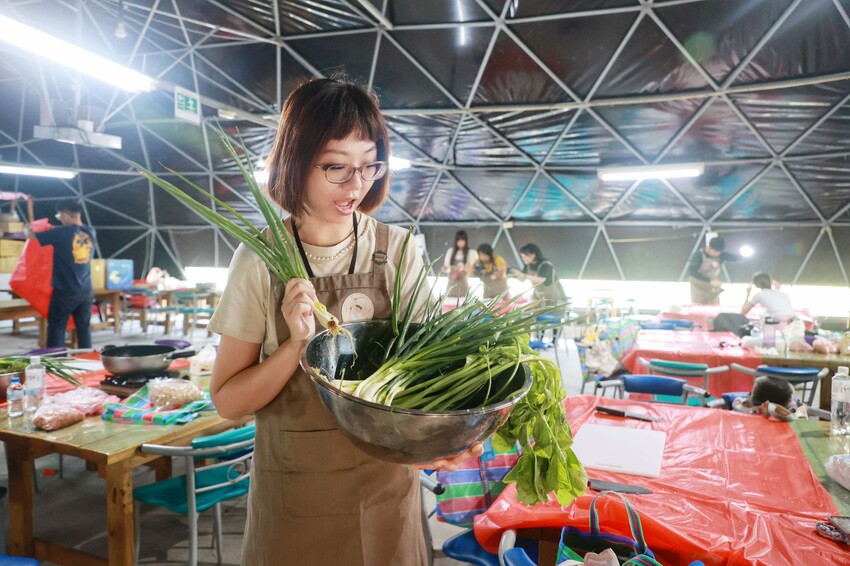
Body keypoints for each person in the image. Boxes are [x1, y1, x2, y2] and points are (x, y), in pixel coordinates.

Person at [206, 77, 480, 566]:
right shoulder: (259, 261)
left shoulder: (397, 250)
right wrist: (295, 346)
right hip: (294, 499)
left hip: (385, 491)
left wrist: (443, 438)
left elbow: (425, 377)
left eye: (369, 165)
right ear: (294, 161)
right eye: (336, 166)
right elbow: (228, 400)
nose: (357, 185)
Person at [24, 198, 96, 348]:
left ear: (64, 214)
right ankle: (88, 360)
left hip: (65, 291)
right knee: (83, 328)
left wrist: (27, 228)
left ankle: (57, 361)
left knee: (57, 326)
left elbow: (32, 235)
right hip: (86, 290)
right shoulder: (90, 232)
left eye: (60, 216)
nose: (60, 219)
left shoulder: (61, 233)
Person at [687, 236, 740, 305]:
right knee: (699, 308)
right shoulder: (698, 255)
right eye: (715, 251)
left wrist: (744, 256)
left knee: (714, 309)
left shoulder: (721, 255)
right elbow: (692, 272)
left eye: (719, 252)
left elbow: (735, 258)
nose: (717, 254)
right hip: (698, 288)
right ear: (709, 247)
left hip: (712, 289)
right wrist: (710, 281)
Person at [441, 230, 477, 298]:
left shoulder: (471, 253)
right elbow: (446, 267)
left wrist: (463, 269)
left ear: (466, 241)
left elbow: (473, 270)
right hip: (451, 287)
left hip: (463, 288)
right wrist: (446, 269)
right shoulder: (451, 251)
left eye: (462, 240)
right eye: (458, 240)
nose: (460, 242)